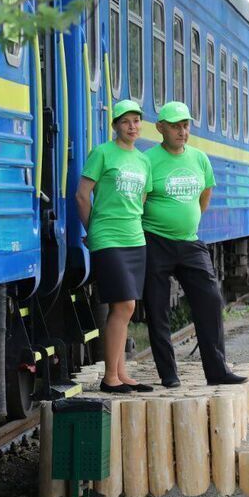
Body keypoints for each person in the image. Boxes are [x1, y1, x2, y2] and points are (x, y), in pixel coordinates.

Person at [142, 101, 247, 389]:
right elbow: (140, 201)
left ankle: (217, 370)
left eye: (185, 125)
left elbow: (206, 191)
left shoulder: (199, 158)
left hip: (190, 242)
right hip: (155, 241)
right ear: (160, 128)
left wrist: (190, 221)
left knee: (210, 300)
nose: (182, 131)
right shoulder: (148, 160)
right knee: (157, 308)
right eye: (175, 126)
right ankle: (168, 374)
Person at [75, 100, 154, 393]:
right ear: (115, 126)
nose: (132, 127)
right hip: (108, 237)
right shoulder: (102, 153)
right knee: (124, 304)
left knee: (125, 307)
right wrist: (92, 230)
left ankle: (121, 373)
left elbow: (142, 199)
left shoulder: (143, 161)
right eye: (125, 122)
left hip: (135, 238)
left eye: (136, 121)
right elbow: (82, 195)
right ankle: (110, 377)